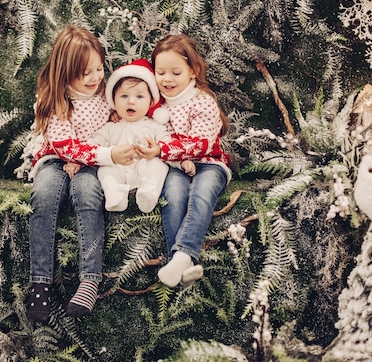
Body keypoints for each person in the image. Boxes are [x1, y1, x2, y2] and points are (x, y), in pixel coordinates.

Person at [27, 24, 137, 323]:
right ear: (65, 71)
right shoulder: (55, 99)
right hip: (56, 158)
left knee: (88, 194)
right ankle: (41, 282)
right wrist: (96, 154)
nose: (94, 78)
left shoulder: (107, 92)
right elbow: (63, 145)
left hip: (94, 163)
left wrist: (106, 142)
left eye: (98, 69)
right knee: (44, 194)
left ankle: (90, 279)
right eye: (84, 72)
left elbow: (121, 117)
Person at [137, 34, 231, 288]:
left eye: (175, 72)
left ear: (193, 71)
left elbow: (200, 144)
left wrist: (161, 150)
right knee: (174, 194)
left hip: (210, 163)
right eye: (161, 72)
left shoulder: (202, 101)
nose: (167, 79)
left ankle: (182, 254)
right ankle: (181, 268)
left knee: (201, 193)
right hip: (176, 165)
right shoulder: (156, 103)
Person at [83, 58, 195, 213]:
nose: (131, 101)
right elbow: (91, 145)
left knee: (157, 165)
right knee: (105, 170)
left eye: (139, 97)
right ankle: (115, 195)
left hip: (145, 169)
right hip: (120, 170)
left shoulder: (155, 127)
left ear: (150, 102)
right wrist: (104, 155)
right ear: (113, 101)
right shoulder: (110, 127)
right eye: (123, 96)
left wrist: (182, 162)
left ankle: (149, 193)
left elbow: (169, 147)